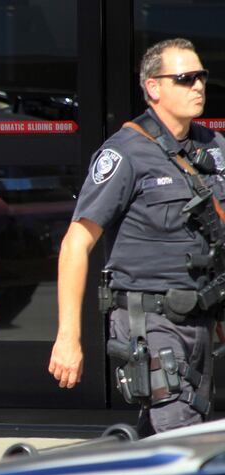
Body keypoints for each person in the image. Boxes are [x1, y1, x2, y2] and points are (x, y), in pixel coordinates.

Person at [49, 38, 225, 435]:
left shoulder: (215, 148)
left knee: (182, 428)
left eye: (201, 77)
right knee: (179, 438)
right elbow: (77, 242)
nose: (198, 86)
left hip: (201, 318)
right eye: (185, 78)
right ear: (153, 88)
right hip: (151, 320)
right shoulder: (125, 153)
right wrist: (68, 337)